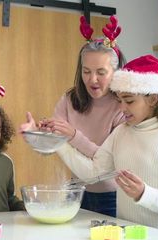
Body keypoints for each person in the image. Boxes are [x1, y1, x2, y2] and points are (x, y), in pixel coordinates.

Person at [57, 55, 158, 234]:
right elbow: (93, 173)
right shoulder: (121, 133)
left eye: (129, 101)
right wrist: (57, 144)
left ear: (153, 99)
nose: (122, 108)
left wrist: (144, 194)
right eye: (120, 101)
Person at [20, 16, 126, 217]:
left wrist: (73, 135)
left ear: (116, 71)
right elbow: (52, 149)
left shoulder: (123, 106)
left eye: (101, 72)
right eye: (86, 71)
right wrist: (37, 135)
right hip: (77, 193)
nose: (92, 80)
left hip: (115, 196)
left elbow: (108, 162)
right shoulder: (70, 99)